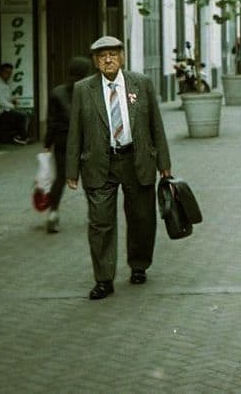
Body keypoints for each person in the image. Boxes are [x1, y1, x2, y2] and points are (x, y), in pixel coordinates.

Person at [65, 36, 172, 301]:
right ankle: (103, 279)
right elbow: (74, 131)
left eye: (113, 54)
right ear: (95, 61)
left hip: (137, 161)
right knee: (100, 223)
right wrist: (71, 171)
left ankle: (139, 265)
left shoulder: (141, 84)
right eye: (102, 56)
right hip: (100, 164)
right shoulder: (83, 89)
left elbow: (155, 126)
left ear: (122, 57)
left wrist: (164, 164)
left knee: (141, 219)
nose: (108, 60)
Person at [43, 56, 92, 234]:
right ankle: (94, 214)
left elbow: (52, 122)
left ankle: (53, 214)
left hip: (63, 141)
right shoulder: (89, 91)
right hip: (85, 141)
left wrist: (48, 143)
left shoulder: (57, 92)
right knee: (89, 178)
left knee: (61, 179)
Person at [0, 63, 30, 145]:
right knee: (22, 116)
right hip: (0, 111)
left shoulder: (5, 83)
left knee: (25, 114)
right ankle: (21, 137)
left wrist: (13, 100)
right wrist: (12, 106)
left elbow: (7, 97)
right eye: (6, 72)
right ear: (1, 72)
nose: (8, 75)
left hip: (6, 109)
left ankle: (21, 136)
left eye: (10, 73)